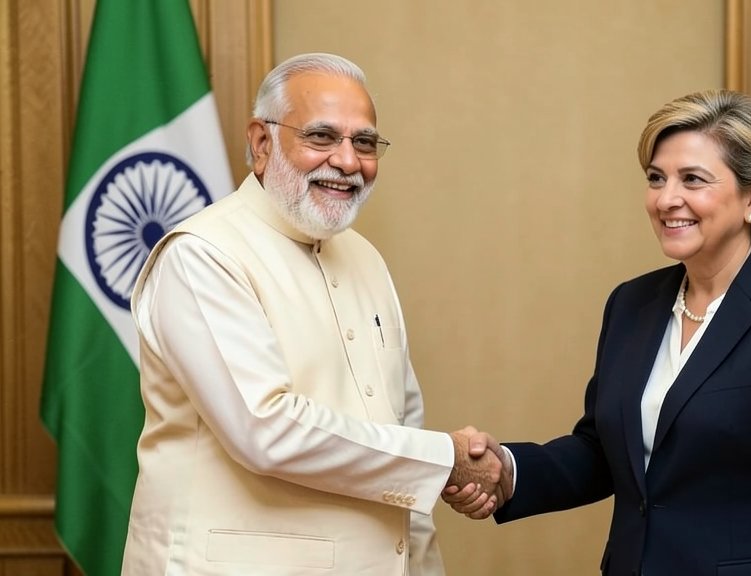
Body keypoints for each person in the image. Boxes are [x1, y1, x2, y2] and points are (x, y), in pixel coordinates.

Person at [445, 89, 751, 575]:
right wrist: (507, 470)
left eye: (692, 180)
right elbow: (602, 452)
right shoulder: (632, 304)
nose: (666, 199)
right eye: (657, 178)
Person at [120, 53, 508, 576]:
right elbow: (268, 429)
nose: (348, 162)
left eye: (365, 142)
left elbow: (400, 424)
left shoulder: (366, 258)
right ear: (262, 143)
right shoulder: (201, 254)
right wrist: (445, 460)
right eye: (322, 137)